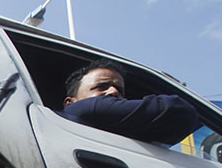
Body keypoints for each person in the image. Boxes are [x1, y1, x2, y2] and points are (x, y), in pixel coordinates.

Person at [62, 58, 200, 145]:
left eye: (120, 90)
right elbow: (179, 110)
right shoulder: (78, 110)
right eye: (101, 87)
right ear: (70, 103)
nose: (113, 92)